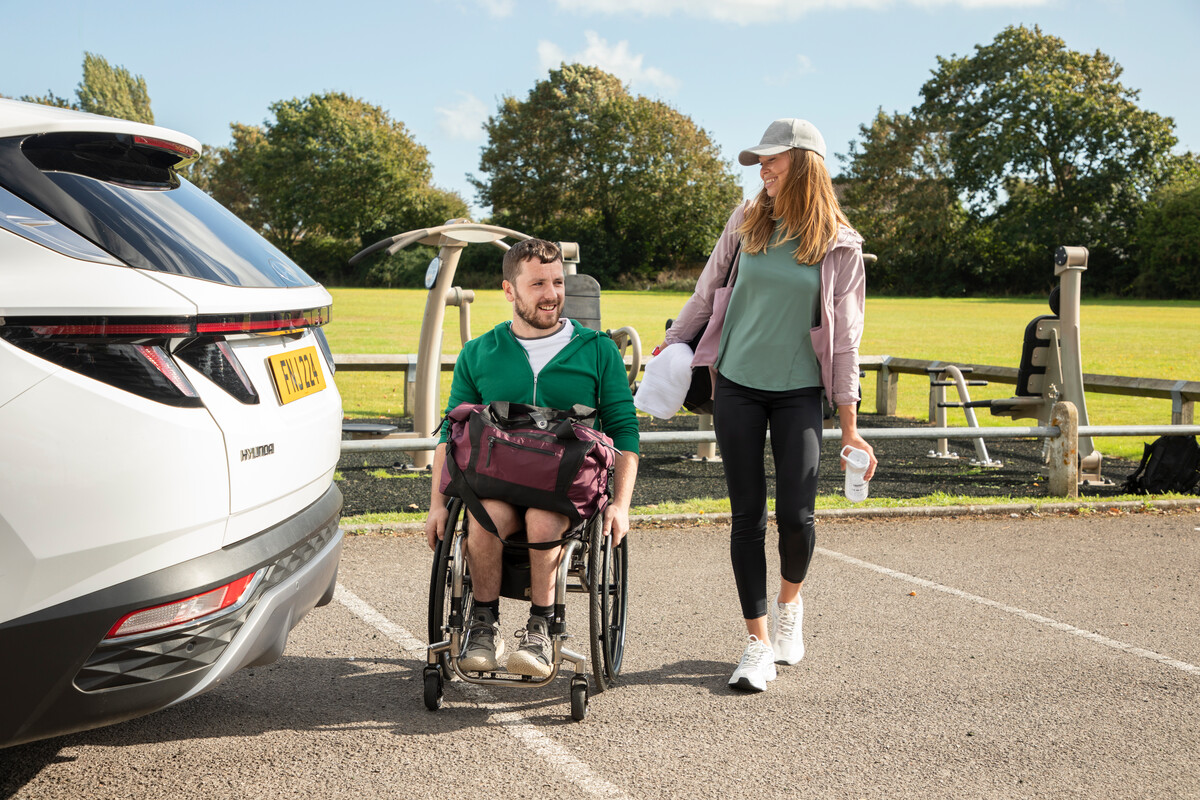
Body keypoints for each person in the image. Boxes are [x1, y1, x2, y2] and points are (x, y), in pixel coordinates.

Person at [660, 118, 877, 692]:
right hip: (736, 383)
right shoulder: (745, 221)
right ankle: (756, 642)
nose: (762, 169)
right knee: (747, 516)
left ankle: (790, 606)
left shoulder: (840, 246)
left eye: (772, 159)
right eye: (759, 161)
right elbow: (706, 294)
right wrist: (674, 345)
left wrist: (850, 425)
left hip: (799, 392)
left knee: (798, 517)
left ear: (804, 162)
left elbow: (846, 341)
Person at [425, 238, 640, 679]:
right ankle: (483, 625)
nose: (551, 294)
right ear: (510, 291)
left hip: (563, 484)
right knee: (485, 519)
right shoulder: (479, 353)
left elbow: (625, 432)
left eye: (558, 282)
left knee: (543, 520)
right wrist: (435, 504)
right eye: (538, 283)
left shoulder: (598, 349)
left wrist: (621, 505)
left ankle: (543, 627)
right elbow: (451, 430)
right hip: (498, 480)